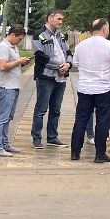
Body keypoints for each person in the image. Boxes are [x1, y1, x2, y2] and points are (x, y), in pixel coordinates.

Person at [70, 18, 110, 163]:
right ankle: (100, 154)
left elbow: (75, 63)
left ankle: (75, 152)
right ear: (105, 29)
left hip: (85, 88)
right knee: (102, 121)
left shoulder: (81, 45)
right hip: (104, 88)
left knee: (81, 119)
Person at [31, 9, 71, 148]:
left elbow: (69, 52)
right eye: (58, 19)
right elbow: (40, 56)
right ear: (49, 18)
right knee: (41, 109)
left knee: (56, 110)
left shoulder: (61, 36)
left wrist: (68, 64)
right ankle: (36, 138)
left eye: (62, 20)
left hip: (61, 78)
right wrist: (59, 66)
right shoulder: (39, 35)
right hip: (46, 77)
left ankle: (52, 137)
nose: (60, 22)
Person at [0, 24, 31, 157]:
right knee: (2, 117)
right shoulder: (3, 47)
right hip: (6, 87)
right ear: (12, 35)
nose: (20, 41)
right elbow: (2, 66)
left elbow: (11, 63)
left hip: (13, 86)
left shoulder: (13, 47)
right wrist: (18, 61)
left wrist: (21, 62)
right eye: (19, 38)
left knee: (8, 116)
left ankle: (5, 144)